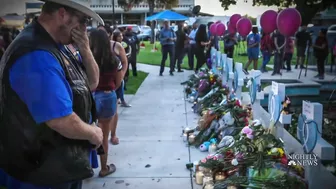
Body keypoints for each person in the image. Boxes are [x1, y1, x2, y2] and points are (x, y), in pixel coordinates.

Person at [0, 1, 104, 188]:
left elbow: (91, 83)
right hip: (40, 172)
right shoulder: (36, 55)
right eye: (82, 21)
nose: (84, 28)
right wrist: (93, 133)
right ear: (62, 14)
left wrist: (85, 49)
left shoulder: (56, 45)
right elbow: (60, 119)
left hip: (57, 165)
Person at [90, 29, 123, 177]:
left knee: (86, 132)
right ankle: (104, 168)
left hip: (90, 96)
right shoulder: (114, 60)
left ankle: (87, 167)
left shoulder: (86, 58)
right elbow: (118, 81)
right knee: (104, 134)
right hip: (107, 95)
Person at [113, 31, 131, 107]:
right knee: (120, 84)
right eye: (119, 36)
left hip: (120, 68)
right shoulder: (114, 45)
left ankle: (120, 99)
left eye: (121, 36)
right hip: (115, 69)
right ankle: (120, 100)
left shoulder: (122, 45)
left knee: (121, 84)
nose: (121, 38)